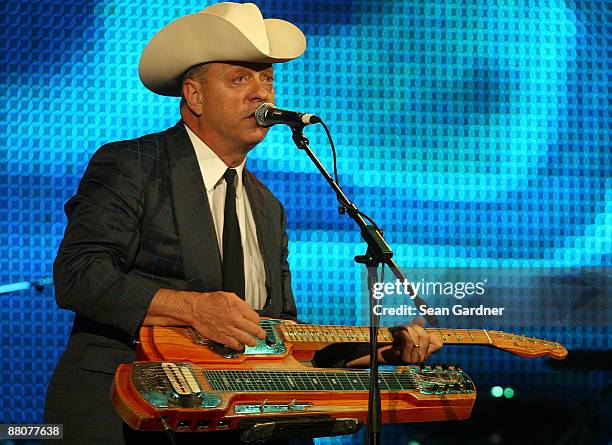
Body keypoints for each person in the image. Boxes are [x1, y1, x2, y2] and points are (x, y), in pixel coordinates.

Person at [44, 3, 443, 444]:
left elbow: (279, 337)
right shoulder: (135, 164)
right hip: (127, 413)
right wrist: (194, 309)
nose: (261, 94)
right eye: (240, 79)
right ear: (193, 96)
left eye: (267, 78)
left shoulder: (266, 206)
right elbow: (79, 275)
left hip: (233, 423)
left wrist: (376, 352)